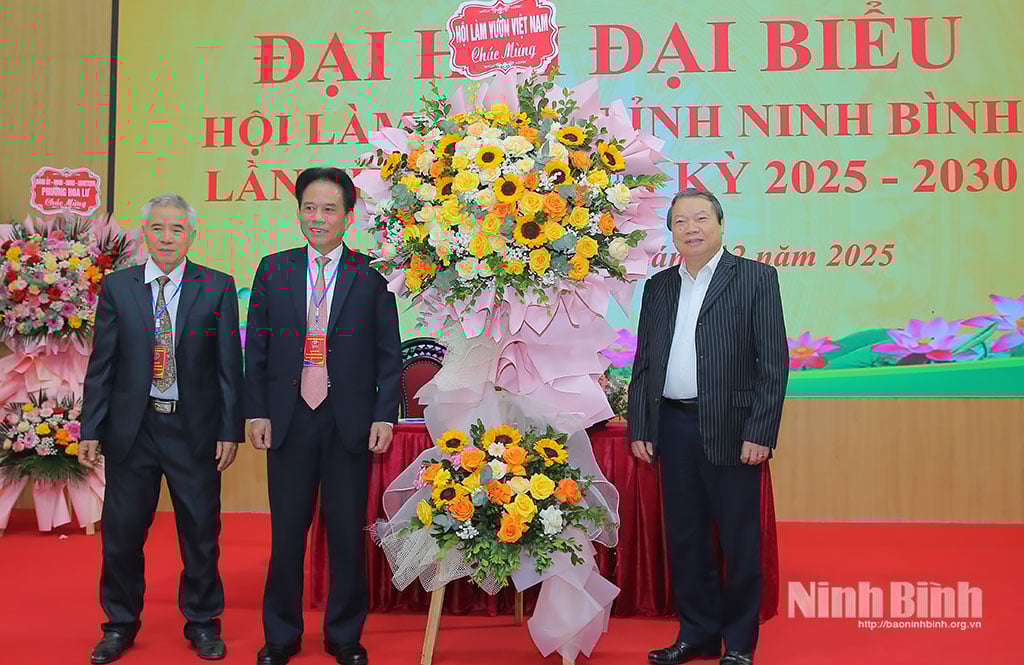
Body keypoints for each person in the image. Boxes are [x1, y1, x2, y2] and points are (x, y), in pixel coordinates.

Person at [245, 167, 402, 665]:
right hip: (288, 419)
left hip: (347, 421)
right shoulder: (274, 269)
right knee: (286, 535)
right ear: (298, 212)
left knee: (346, 534)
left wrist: (384, 416)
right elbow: (258, 349)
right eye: (309, 208)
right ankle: (281, 636)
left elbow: (388, 353)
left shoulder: (372, 275)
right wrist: (257, 411)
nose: (317, 218)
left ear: (348, 217)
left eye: (329, 209)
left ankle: (344, 635)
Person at [80, 193, 244, 663]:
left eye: (177, 229)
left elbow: (229, 366)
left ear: (191, 235)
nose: (167, 237)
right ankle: (119, 625)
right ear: (145, 233)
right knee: (123, 534)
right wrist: (91, 427)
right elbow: (102, 364)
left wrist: (229, 430)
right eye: (158, 228)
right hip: (133, 431)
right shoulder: (119, 287)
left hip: (193, 430)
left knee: (200, 532)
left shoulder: (217, 286)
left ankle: (202, 622)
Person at [627, 189, 788, 665]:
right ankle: (696, 634)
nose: (691, 228)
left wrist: (760, 431)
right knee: (686, 538)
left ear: (720, 224)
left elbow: (773, 363)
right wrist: (641, 424)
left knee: (739, 540)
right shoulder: (659, 287)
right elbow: (645, 362)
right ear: (671, 232)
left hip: (734, 430)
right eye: (680, 221)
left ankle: (738, 643)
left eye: (700, 218)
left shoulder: (756, 278)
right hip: (672, 426)